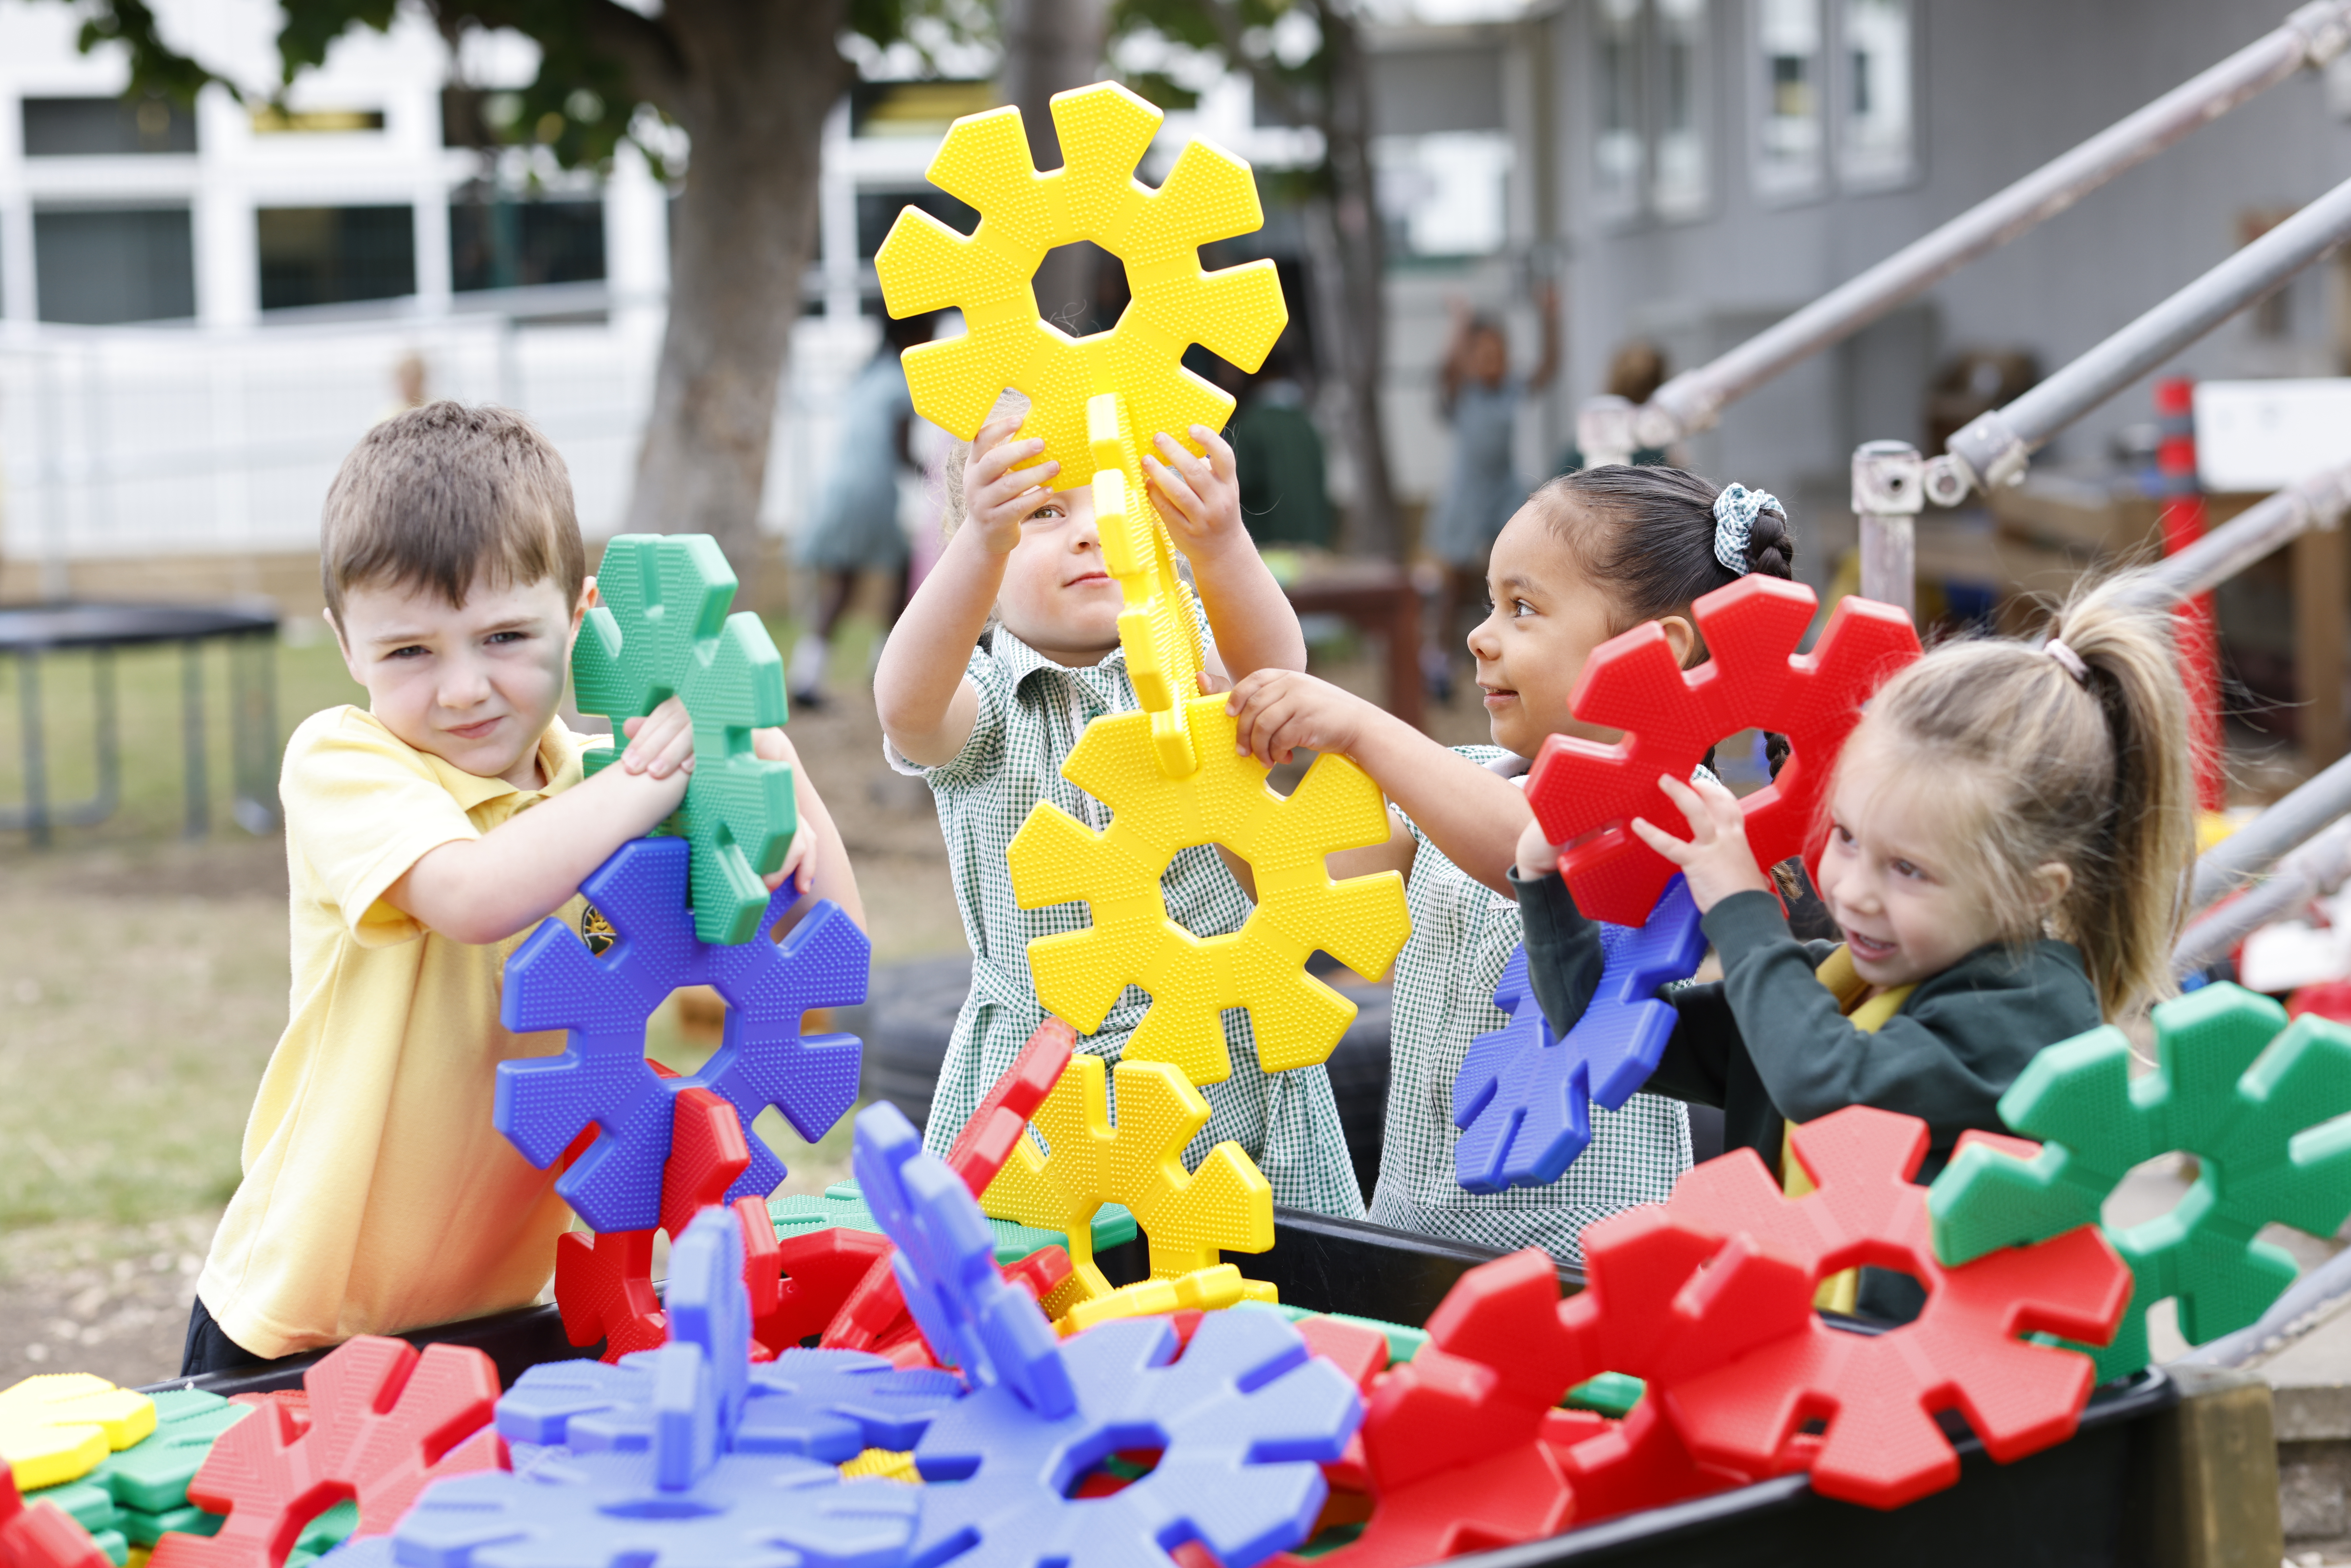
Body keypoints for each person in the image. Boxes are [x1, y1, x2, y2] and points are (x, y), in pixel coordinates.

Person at [185, 402, 862, 1375]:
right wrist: (647, 787)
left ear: (581, 619)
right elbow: (472, 893)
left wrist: (767, 764)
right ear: (345, 645)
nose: (462, 688)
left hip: (507, 1318)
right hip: (299, 1326)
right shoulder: (348, 762)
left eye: (505, 636)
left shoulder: (607, 786)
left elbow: (831, 952)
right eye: (410, 651)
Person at [1511, 574, 2196, 1316]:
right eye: (1845, 836)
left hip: (1937, 1403)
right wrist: (1544, 884)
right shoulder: (1835, 989)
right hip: (1810, 1367)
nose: (1855, 891)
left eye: (1909, 869)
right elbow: (1603, 1034)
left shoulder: (2028, 1015)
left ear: (2037, 890)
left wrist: (1743, 909)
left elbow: (1831, 1085)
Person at [1217, 465, 1801, 1262]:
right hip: (1415, 1232)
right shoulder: (1467, 778)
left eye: (1522, 608)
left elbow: (1542, 849)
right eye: (1490, 604)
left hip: (1582, 1258)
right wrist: (1211, 771)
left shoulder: (1685, 811)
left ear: (1653, 653)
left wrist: (1361, 728)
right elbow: (1300, 886)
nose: (1480, 635)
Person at [873, 396, 1362, 1215]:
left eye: (1120, 501)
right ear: (982, 574)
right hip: (1042, 1083)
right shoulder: (989, 705)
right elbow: (906, 708)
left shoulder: (1190, 655)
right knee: (1045, 1296)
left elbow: (1279, 669)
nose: (1091, 532)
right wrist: (979, 543)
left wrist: (1222, 541)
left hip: (1220, 1053)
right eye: (1044, 510)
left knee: (1256, 1272)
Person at [791, 311, 936, 710]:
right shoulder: (898, 383)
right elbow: (902, 451)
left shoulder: (868, 376)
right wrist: (941, 475)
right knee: (902, 576)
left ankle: (808, 675)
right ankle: (883, 669)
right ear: (911, 333)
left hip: (839, 489)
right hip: (869, 493)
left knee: (842, 584)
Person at [1425, 284, 1559, 702]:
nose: (1492, 362)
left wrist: (1551, 317)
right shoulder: (1463, 393)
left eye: (1498, 354)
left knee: (1510, 575)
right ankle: (1438, 659)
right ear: (1469, 359)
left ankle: (1513, 656)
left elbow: (1549, 367)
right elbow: (1447, 369)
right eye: (1482, 355)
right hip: (1467, 495)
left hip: (1504, 491)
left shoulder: (1512, 390)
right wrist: (1459, 325)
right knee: (1453, 580)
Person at [1228, 341, 1332, 550]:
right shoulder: (1307, 425)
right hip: (1313, 549)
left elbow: (1231, 485)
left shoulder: (1248, 426)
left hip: (1267, 552)